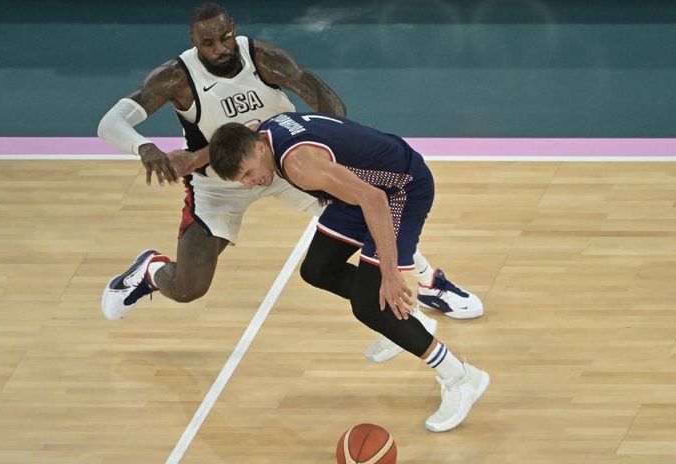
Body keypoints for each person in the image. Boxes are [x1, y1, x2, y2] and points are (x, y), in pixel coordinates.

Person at [97, 3, 482, 364]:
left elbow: (329, 104)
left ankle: (430, 286)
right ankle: (149, 271)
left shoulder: (263, 58)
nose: (218, 48)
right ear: (193, 43)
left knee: (372, 212)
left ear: (234, 30)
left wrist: (329, 152)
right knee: (188, 287)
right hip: (219, 183)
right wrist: (143, 148)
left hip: (284, 164)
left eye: (224, 37)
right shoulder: (175, 78)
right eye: (207, 43)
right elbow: (110, 123)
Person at [208, 112, 489, 431]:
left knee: (371, 305)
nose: (249, 185)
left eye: (248, 173)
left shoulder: (300, 165)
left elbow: (375, 199)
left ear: (259, 149)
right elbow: (246, 128)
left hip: (398, 190)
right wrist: (191, 161)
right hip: (361, 192)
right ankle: (409, 323)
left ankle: (461, 377)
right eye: (240, 181)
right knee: (317, 269)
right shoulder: (262, 132)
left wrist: (391, 273)